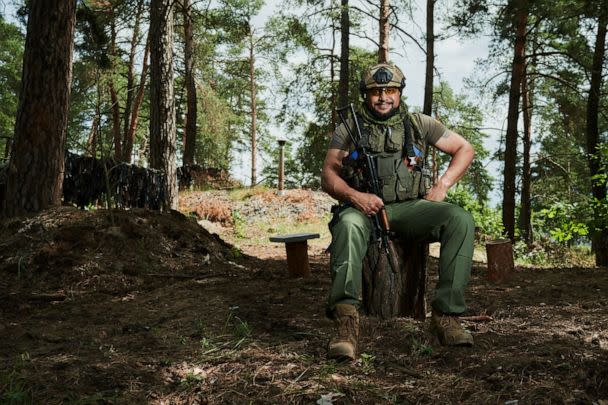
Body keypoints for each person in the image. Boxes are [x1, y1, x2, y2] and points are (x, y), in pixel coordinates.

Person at [321, 63, 476, 361]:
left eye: (390, 91)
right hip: (363, 208)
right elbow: (328, 175)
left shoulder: (419, 123)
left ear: (400, 93)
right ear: (366, 94)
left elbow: (464, 149)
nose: (383, 98)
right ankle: (345, 322)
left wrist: (442, 185)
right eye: (376, 92)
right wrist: (356, 196)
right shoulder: (350, 126)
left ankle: (446, 316)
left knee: (459, 219)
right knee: (347, 227)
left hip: (410, 207)